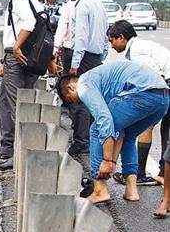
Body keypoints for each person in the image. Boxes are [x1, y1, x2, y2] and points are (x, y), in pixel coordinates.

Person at [56, 61, 169, 204]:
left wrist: (107, 161)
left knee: (96, 129)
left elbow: (105, 120)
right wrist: (112, 162)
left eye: (72, 101)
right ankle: (131, 190)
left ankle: (99, 190)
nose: (78, 104)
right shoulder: (102, 84)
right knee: (129, 136)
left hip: (141, 93)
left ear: (70, 88)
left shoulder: (84, 85)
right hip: (163, 98)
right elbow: (118, 130)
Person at [0, 0, 43, 170]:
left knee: (14, 105)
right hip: (28, 58)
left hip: (18, 57)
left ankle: (16, 155)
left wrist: (16, 47)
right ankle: (6, 149)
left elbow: (28, 23)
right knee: (5, 101)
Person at [107, 20, 170, 185]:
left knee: (146, 125)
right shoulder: (138, 46)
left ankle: (140, 174)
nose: (111, 46)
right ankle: (163, 172)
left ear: (121, 37)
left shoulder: (137, 52)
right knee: (166, 129)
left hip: (165, 83)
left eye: (112, 41)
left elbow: (153, 76)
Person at [60, 0, 108, 157]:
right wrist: (101, 56)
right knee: (94, 100)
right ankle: (93, 138)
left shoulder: (80, 6)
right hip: (96, 57)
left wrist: (75, 64)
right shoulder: (98, 4)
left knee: (79, 100)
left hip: (83, 57)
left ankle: (81, 142)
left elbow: (80, 37)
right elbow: (105, 34)